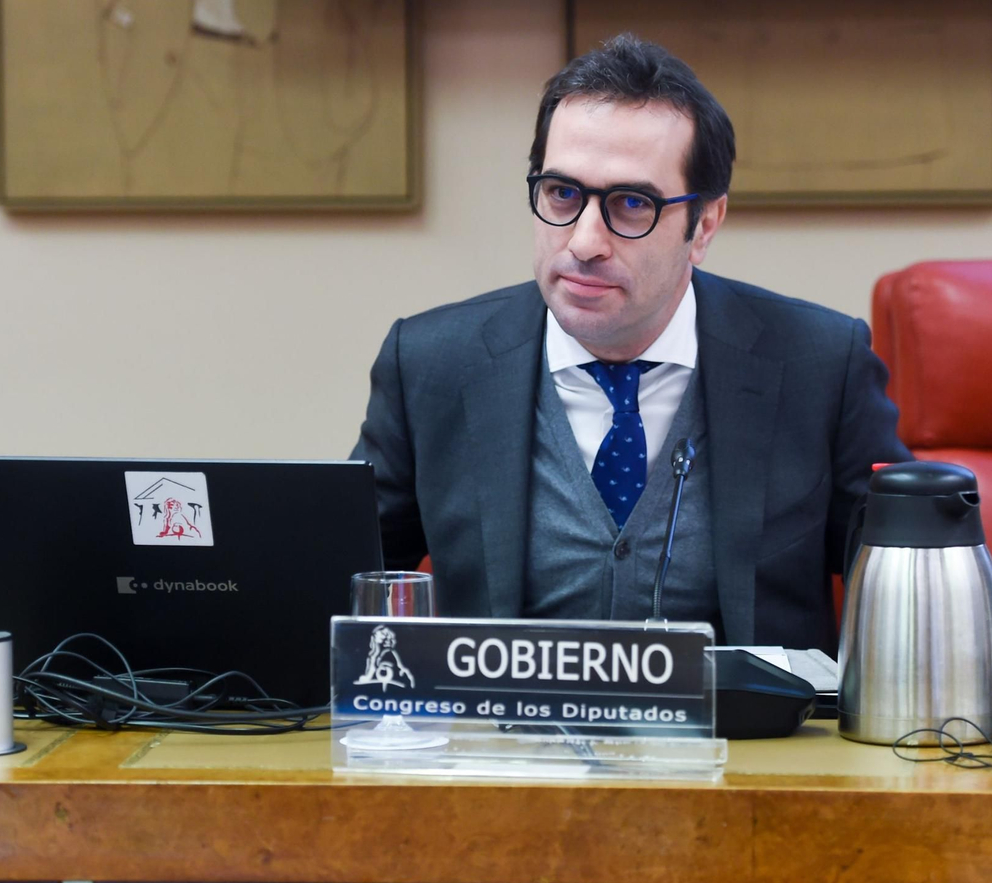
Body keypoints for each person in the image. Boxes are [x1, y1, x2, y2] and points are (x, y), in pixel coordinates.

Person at [351, 33, 910, 650]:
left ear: (704, 226)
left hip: (750, 739)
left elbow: (914, 592)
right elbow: (337, 580)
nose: (586, 241)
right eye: (562, 193)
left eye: (630, 204)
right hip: (502, 739)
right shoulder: (434, 363)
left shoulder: (819, 366)